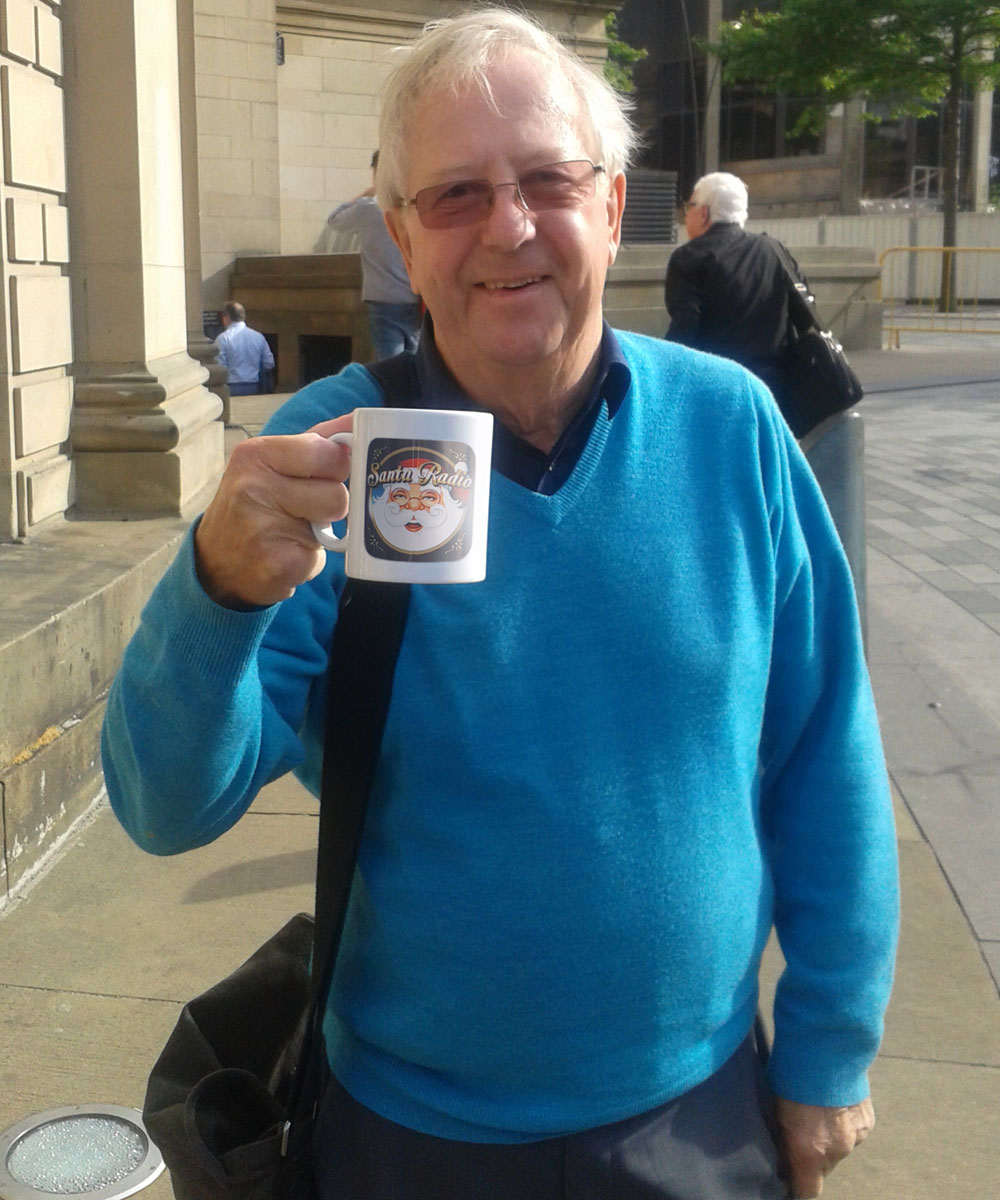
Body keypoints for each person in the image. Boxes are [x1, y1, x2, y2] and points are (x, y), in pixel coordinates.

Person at [103, 10, 898, 1200]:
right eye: (457, 195)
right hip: (411, 1134)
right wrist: (218, 589)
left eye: (546, 181)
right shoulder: (332, 451)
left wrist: (829, 1049)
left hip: (698, 1119)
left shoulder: (730, 428)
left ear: (613, 207)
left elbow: (823, 752)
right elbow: (165, 808)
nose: (509, 228)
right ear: (404, 240)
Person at [664, 172, 815, 432]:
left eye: (689, 207)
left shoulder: (688, 258)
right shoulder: (774, 250)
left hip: (714, 392)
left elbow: (685, 327)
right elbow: (807, 314)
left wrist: (662, 375)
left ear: (703, 213)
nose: (685, 215)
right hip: (773, 393)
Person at [327, 149, 422, 359]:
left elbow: (334, 220)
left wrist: (367, 193)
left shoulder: (367, 208)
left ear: (378, 173)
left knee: (390, 364)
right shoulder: (416, 206)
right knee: (416, 360)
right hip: (415, 297)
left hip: (384, 299)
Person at [214, 300, 275, 395]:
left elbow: (219, 366)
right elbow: (269, 363)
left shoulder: (222, 338)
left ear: (227, 317)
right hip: (254, 385)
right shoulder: (258, 337)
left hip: (231, 386)